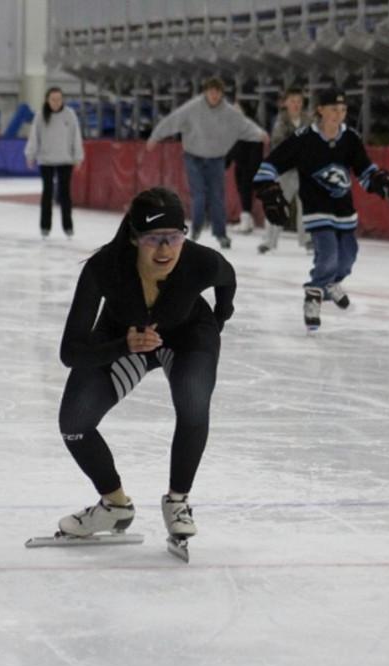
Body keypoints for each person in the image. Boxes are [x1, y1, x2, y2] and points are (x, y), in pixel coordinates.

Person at [54, 187, 235, 544]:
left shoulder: (200, 261)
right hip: (124, 339)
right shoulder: (104, 269)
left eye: (174, 237)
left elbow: (226, 278)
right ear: (135, 239)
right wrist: (124, 345)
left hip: (186, 336)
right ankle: (114, 505)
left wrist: (219, 318)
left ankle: (178, 502)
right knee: (74, 423)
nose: (166, 249)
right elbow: (70, 352)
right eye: (154, 239)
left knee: (193, 399)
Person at [253, 87, 389, 331]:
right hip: (316, 209)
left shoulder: (350, 138)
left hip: (344, 209)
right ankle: (314, 294)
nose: (338, 114)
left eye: (342, 110)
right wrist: (268, 191)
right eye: (333, 109)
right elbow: (270, 165)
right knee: (328, 254)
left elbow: (364, 170)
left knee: (348, 256)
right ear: (320, 110)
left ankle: (332, 283)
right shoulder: (303, 139)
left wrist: (381, 183)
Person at [146, 76, 268, 250]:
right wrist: (155, 136)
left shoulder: (228, 111)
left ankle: (221, 234)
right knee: (200, 195)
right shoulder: (193, 108)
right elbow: (173, 121)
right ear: (205, 92)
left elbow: (243, 124)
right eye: (211, 92)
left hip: (216, 158)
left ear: (221, 94)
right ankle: (196, 229)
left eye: (218, 93)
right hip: (193, 156)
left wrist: (259, 133)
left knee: (217, 196)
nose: (214, 96)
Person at [259, 86, 313, 255]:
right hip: (286, 171)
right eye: (293, 101)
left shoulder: (309, 120)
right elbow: (278, 144)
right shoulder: (280, 122)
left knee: (307, 206)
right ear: (286, 103)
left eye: (299, 101)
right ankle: (269, 241)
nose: (296, 105)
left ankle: (308, 240)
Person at [24, 86, 84, 239]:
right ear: (47, 100)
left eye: (59, 99)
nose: (56, 102)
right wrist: (30, 155)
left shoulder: (69, 115)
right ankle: (45, 226)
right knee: (47, 193)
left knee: (65, 194)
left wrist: (78, 156)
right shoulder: (40, 116)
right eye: (53, 99)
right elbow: (34, 137)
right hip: (46, 160)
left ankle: (68, 226)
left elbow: (75, 136)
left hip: (65, 160)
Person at [225, 100, 263, 235]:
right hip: (239, 164)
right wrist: (226, 163)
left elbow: (257, 147)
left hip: (249, 165)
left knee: (247, 191)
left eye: (237, 109)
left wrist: (253, 167)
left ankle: (246, 220)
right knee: (242, 191)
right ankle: (247, 219)